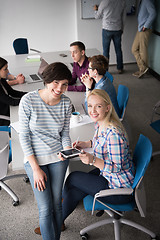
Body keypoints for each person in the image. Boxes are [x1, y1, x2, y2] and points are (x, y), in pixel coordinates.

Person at [62, 89, 135, 229]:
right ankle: (59, 218)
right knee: (78, 187)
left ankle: (60, 209)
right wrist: (86, 143)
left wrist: (92, 160)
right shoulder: (101, 123)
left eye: (98, 106)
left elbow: (116, 167)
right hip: (108, 176)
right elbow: (102, 142)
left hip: (118, 188)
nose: (93, 110)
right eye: (90, 106)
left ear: (107, 107)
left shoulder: (114, 134)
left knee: (73, 178)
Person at [18, 62, 73, 240]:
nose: (60, 88)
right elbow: (24, 136)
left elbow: (64, 133)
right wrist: (35, 169)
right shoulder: (28, 100)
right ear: (47, 80)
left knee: (57, 205)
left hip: (58, 158)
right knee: (45, 208)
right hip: (35, 160)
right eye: (56, 82)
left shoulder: (66, 102)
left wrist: (67, 150)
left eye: (64, 84)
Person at [94, 0, 126, 74]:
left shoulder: (105, 2)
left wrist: (96, 9)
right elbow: (124, 17)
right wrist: (122, 29)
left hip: (107, 29)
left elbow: (97, 16)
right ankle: (120, 68)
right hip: (118, 29)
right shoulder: (122, 2)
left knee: (106, 51)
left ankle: (106, 70)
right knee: (118, 50)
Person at [132, 0, 156, 78]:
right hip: (140, 28)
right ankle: (144, 68)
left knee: (142, 49)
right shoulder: (142, 1)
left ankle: (142, 70)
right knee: (134, 49)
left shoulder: (147, 0)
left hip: (145, 29)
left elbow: (153, 13)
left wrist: (146, 25)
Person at [0, 57, 26, 126]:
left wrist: (30, 94)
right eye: (5, 69)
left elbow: (12, 92)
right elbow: (12, 102)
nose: (8, 71)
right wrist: (28, 98)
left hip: (7, 107)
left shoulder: (1, 79)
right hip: (2, 115)